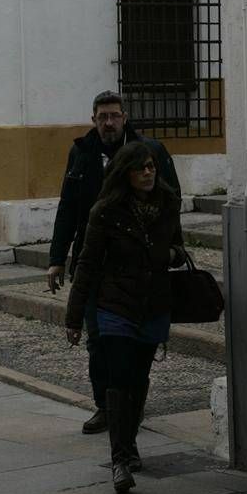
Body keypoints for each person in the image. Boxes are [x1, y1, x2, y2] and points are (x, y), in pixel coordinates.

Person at [47, 91, 180, 438]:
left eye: (114, 116)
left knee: (136, 349)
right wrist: (57, 258)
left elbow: (171, 202)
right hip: (96, 263)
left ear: (125, 117)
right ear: (93, 119)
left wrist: (173, 250)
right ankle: (106, 406)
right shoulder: (82, 153)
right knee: (99, 341)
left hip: (138, 268)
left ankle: (129, 405)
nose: (108, 123)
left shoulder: (147, 152)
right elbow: (68, 205)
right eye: (102, 117)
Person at [65, 141, 186, 494]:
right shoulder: (105, 211)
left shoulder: (168, 204)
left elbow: (178, 247)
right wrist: (74, 317)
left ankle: (130, 443)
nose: (149, 173)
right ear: (125, 173)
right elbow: (86, 264)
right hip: (115, 305)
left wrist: (173, 254)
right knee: (118, 378)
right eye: (141, 168)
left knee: (138, 378)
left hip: (153, 304)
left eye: (151, 166)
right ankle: (119, 459)